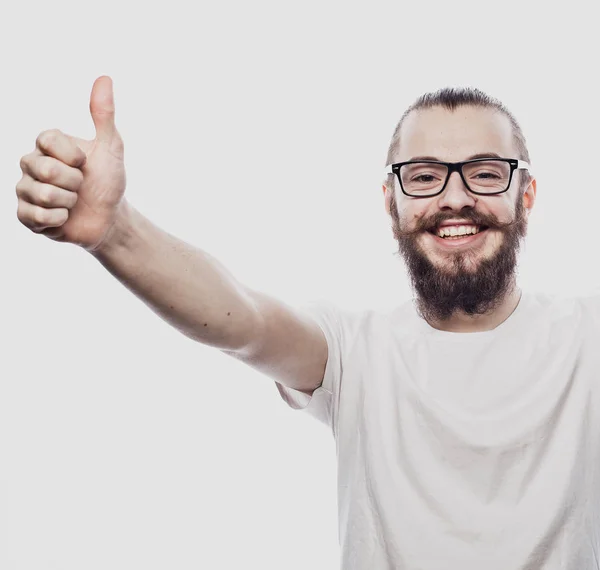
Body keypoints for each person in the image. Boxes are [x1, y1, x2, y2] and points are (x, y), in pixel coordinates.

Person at [15, 75, 600, 570]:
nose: (454, 196)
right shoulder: (354, 351)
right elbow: (243, 320)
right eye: (423, 176)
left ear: (525, 196)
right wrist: (116, 233)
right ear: (391, 201)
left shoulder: (585, 339)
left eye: (485, 172)